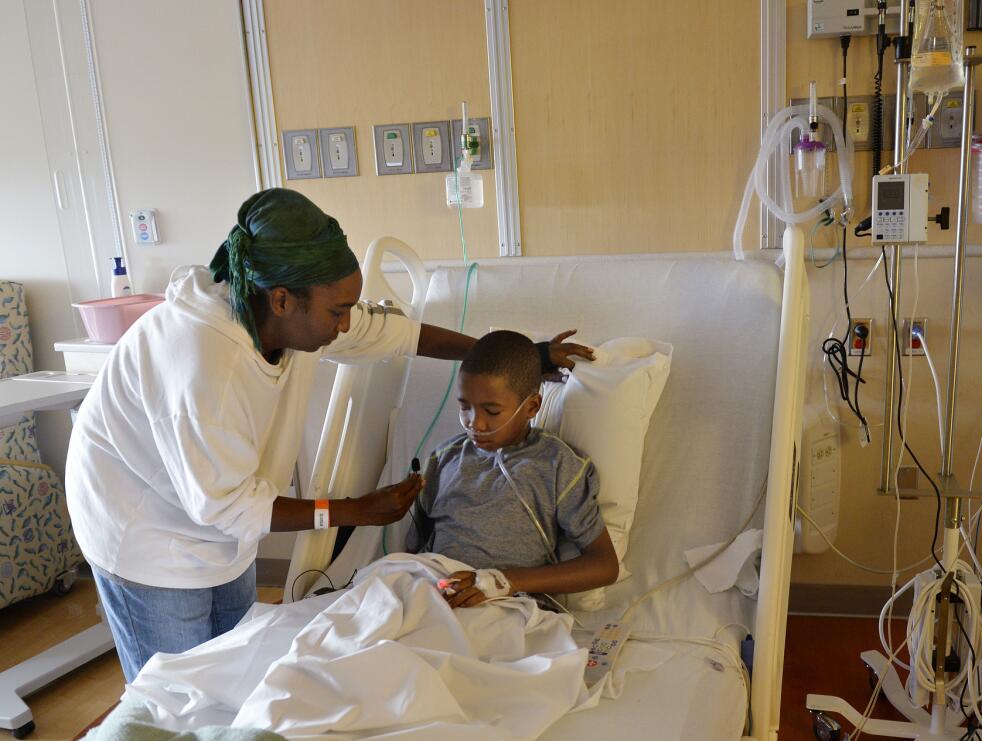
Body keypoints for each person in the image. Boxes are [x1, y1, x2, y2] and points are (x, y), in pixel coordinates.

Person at [65, 189, 591, 681]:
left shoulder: (278, 315)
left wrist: (522, 358)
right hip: (145, 528)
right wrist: (355, 510)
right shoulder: (206, 365)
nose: (346, 325)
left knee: (231, 674)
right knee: (175, 695)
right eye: (337, 311)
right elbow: (228, 507)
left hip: (220, 522)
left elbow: (393, 333)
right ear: (282, 300)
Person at [406, 330, 619, 608]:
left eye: (491, 412)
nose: (475, 424)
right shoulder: (444, 459)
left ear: (531, 406)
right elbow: (415, 550)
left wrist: (503, 582)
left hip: (504, 607)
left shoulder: (556, 465)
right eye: (465, 407)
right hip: (433, 593)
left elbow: (604, 565)